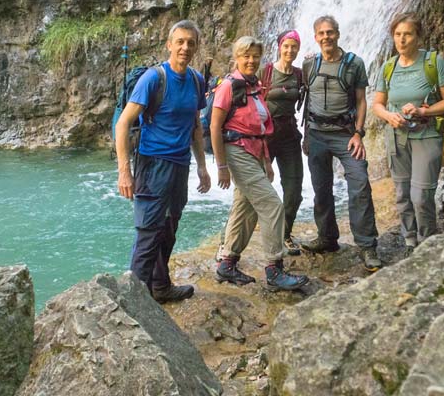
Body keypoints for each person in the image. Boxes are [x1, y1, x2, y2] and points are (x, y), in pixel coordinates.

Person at [114, 20, 211, 303]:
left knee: (169, 230)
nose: (185, 47)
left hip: (180, 166)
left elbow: (195, 125)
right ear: (169, 44)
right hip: (152, 164)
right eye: (179, 41)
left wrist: (203, 167)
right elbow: (124, 124)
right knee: (148, 235)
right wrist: (124, 171)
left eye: (190, 43)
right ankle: (135, 303)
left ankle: (160, 286)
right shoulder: (154, 79)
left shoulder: (196, 80)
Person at [212, 36, 308, 291]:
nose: (251, 60)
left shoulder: (255, 85)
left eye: (255, 56)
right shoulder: (229, 86)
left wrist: (266, 161)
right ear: (236, 57)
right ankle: (274, 268)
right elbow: (214, 125)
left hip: (255, 151)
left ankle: (227, 263)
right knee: (272, 205)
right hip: (237, 151)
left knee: (246, 208)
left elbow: (262, 127)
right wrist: (221, 166)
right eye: (246, 56)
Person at [373, 12, 444, 257]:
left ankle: (427, 240)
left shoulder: (433, 63)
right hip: (397, 137)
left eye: (408, 34)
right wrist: (389, 116)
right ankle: (410, 241)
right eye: (398, 34)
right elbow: (378, 103)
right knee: (402, 194)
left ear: (418, 36)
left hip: (427, 135)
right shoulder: (388, 67)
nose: (402, 39)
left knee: (421, 194)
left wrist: (423, 110)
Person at [301, 15, 381, 268]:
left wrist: (359, 133)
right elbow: (306, 101)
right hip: (316, 135)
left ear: (337, 34)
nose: (326, 37)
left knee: (359, 186)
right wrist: (306, 137)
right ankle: (327, 237)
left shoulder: (354, 63)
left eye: (330, 32)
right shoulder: (309, 65)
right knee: (321, 189)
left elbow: (361, 100)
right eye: (321, 33)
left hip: (346, 136)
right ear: (316, 37)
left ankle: (367, 245)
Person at [262, 30, 305, 256]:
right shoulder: (266, 72)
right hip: (266, 136)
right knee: (254, 189)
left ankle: (285, 233)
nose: (290, 50)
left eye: (294, 47)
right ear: (279, 47)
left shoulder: (300, 74)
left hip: (290, 134)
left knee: (294, 189)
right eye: (286, 46)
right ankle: (228, 240)